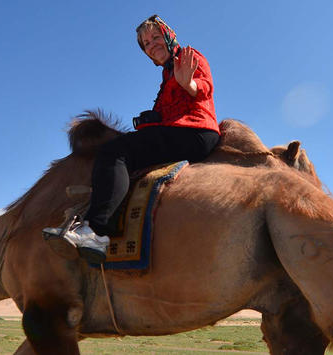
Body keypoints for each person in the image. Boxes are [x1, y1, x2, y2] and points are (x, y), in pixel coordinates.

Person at [49, 15, 220, 264]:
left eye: (155, 37)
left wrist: (190, 85)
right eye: (146, 43)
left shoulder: (187, 56)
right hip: (183, 132)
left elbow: (203, 87)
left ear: (169, 36)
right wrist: (151, 118)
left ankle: (96, 232)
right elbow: (168, 112)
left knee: (114, 153)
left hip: (194, 132)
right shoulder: (166, 76)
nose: (152, 45)